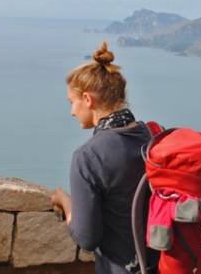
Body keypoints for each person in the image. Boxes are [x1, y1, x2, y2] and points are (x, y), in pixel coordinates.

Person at [51, 42, 157, 274]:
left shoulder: (88, 157)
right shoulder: (150, 136)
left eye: (72, 102)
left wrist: (65, 202)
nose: (72, 112)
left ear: (88, 99)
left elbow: (86, 237)